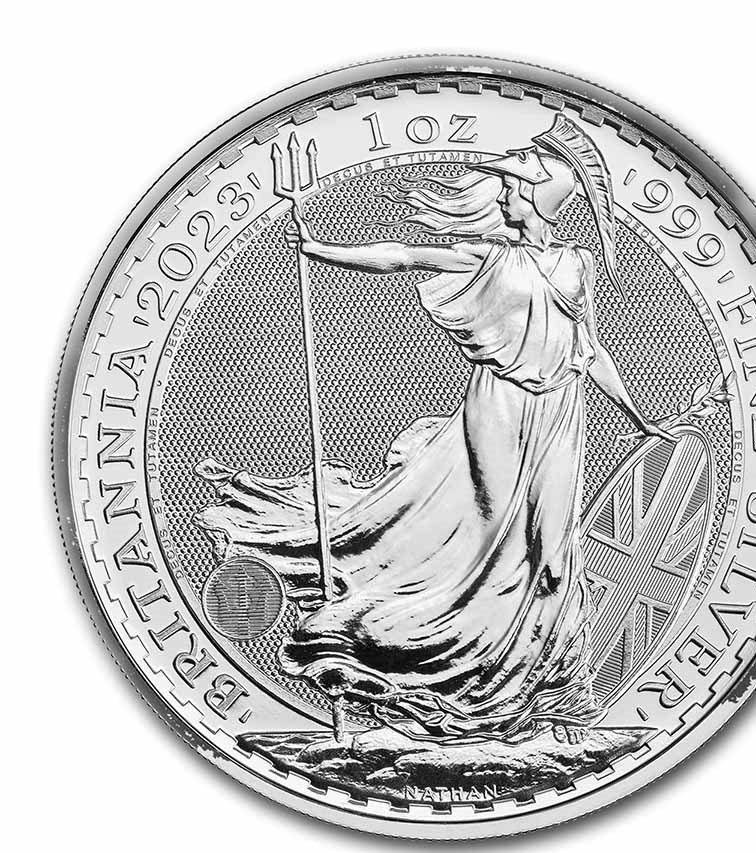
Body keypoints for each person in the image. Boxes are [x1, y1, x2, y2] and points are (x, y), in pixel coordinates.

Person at [194, 135, 670, 744]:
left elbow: (589, 348)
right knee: (493, 544)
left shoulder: (577, 263)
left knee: (552, 554)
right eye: (508, 185)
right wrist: (318, 247)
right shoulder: (483, 255)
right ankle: (446, 675)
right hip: (499, 410)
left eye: (518, 186)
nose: (506, 194)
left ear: (544, 195)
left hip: (560, 412)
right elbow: (401, 256)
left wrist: (637, 416)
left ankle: (544, 694)